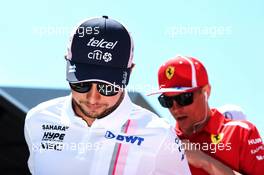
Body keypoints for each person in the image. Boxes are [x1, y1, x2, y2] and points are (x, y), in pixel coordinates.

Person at [24, 16, 191, 175]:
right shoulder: (37, 120)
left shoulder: (159, 135)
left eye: (107, 87)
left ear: (130, 72)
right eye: (82, 84)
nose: (93, 98)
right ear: (67, 65)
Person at [149, 55, 264, 175]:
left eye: (183, 98)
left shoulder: (241, 132)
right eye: (166, 101)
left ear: (206, 92)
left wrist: (205, 162)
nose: (175, 107)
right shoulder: (163, 140)